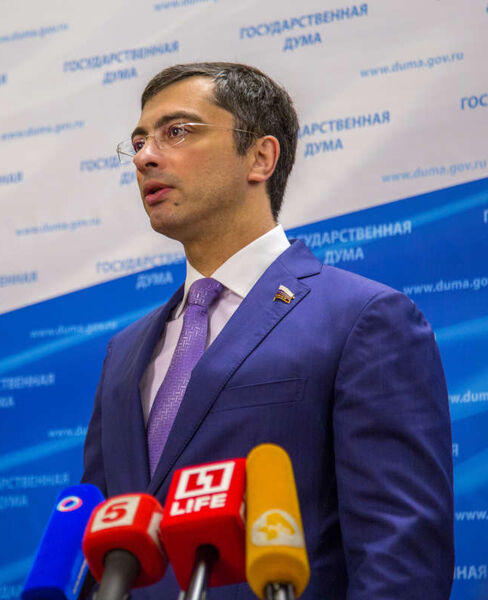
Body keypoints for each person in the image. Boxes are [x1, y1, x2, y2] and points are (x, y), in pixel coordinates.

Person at [81, 62, 454, 599]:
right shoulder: (124, 352)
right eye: (138, 142)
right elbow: (104, 549)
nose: (144, 157)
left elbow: (400, 555)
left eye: (176, 131)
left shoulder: (362, 318)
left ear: (261, 157)